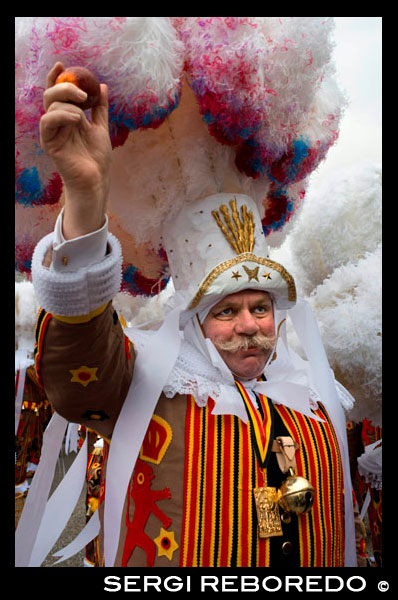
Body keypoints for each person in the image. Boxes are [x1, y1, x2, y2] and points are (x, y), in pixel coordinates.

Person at [24, 61, 364, 568]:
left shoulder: (316, 401)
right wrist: (87, 199)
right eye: (226, 310)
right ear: (193, 321)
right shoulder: (149, 385)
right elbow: (80, 372)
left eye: (260, 307)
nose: (249, 326)